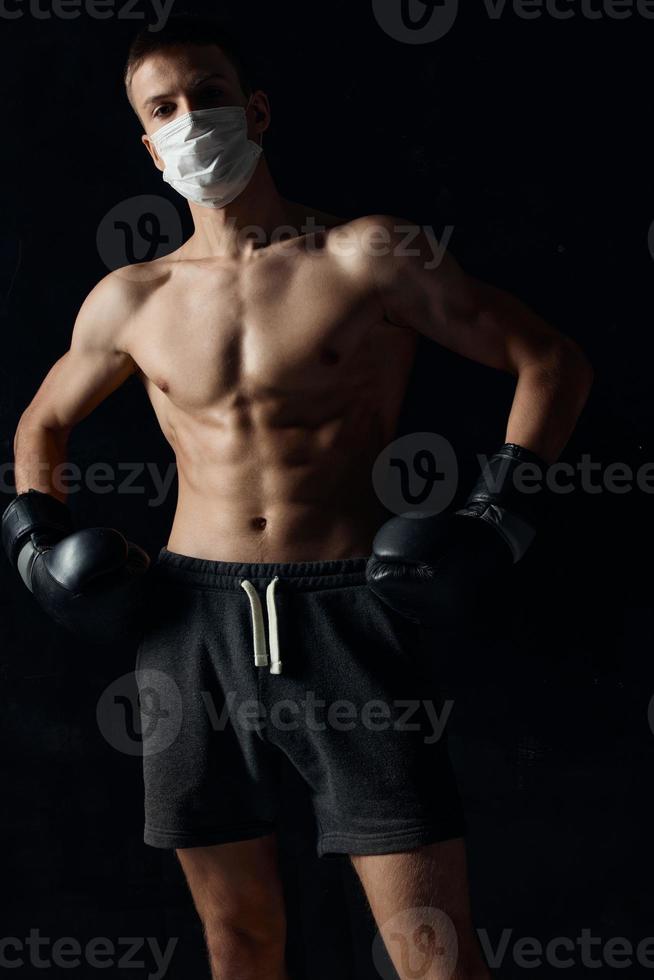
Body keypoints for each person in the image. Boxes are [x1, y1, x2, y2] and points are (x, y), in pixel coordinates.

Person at [2, 15, 593, 980]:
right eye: (165, 109)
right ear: (148, 144)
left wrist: (502, 515)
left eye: (210, 95)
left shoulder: (370, 255)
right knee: (239, 945)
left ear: (257, 110)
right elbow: (38, 426)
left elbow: (550, 362)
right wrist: (37, 547)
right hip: (188, 621)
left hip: (348, 611)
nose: (193, 120)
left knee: (433, 953)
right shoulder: (130, 299)